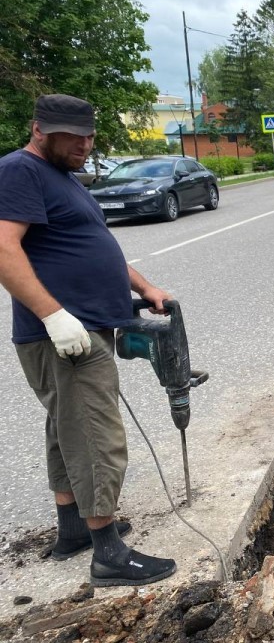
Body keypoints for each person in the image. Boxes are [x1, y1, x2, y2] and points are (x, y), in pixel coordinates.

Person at [0, 94, 178, 587]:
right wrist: (54, 315)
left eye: (89, 136)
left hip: (81, 328)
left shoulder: (62, 178)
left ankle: (75, 529)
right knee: (96, 436)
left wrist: (144, 287)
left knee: (66, 430)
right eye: (72, 136)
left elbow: (90, 246)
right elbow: (3, 247)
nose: (84, 144)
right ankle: (110, 557)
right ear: (39, 130)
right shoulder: (20, 171)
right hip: (64, 335)